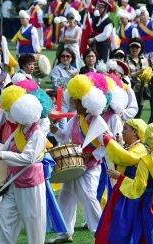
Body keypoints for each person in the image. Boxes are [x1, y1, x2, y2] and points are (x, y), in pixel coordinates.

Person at [50, 75, 109, 243]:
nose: (75, 104)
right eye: (74, 100)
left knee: (89, 196)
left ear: (87, 102)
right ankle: (65, 232)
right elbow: (64, 137)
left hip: (90, 167)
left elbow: (107, 145)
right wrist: (54, 129)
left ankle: (100, 231)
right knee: (66, 196)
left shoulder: (98, 122)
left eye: (78, 101)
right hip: (74, 165)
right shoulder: (76, 119)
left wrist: (93, 154)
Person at [0, 85, 48, 244]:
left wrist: (3, 154)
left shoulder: (37, 134)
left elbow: (28, 158)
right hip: (14, 182)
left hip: (31, 184)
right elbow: (5, 146)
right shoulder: (18, 130)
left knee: (34, 224)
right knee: (3, 216)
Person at [126, 38, 148, 117]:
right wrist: (137, 73)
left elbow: (147, 74)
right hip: (129, 91)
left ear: (140, 48)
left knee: (139, 115)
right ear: (129, 48)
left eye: (137, 47)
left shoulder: (144, 60)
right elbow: (125, 76)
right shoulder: (125, 59)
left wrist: (151, 75)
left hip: (141, 91)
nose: (134, 49)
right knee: (129, 115)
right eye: (132, 47)